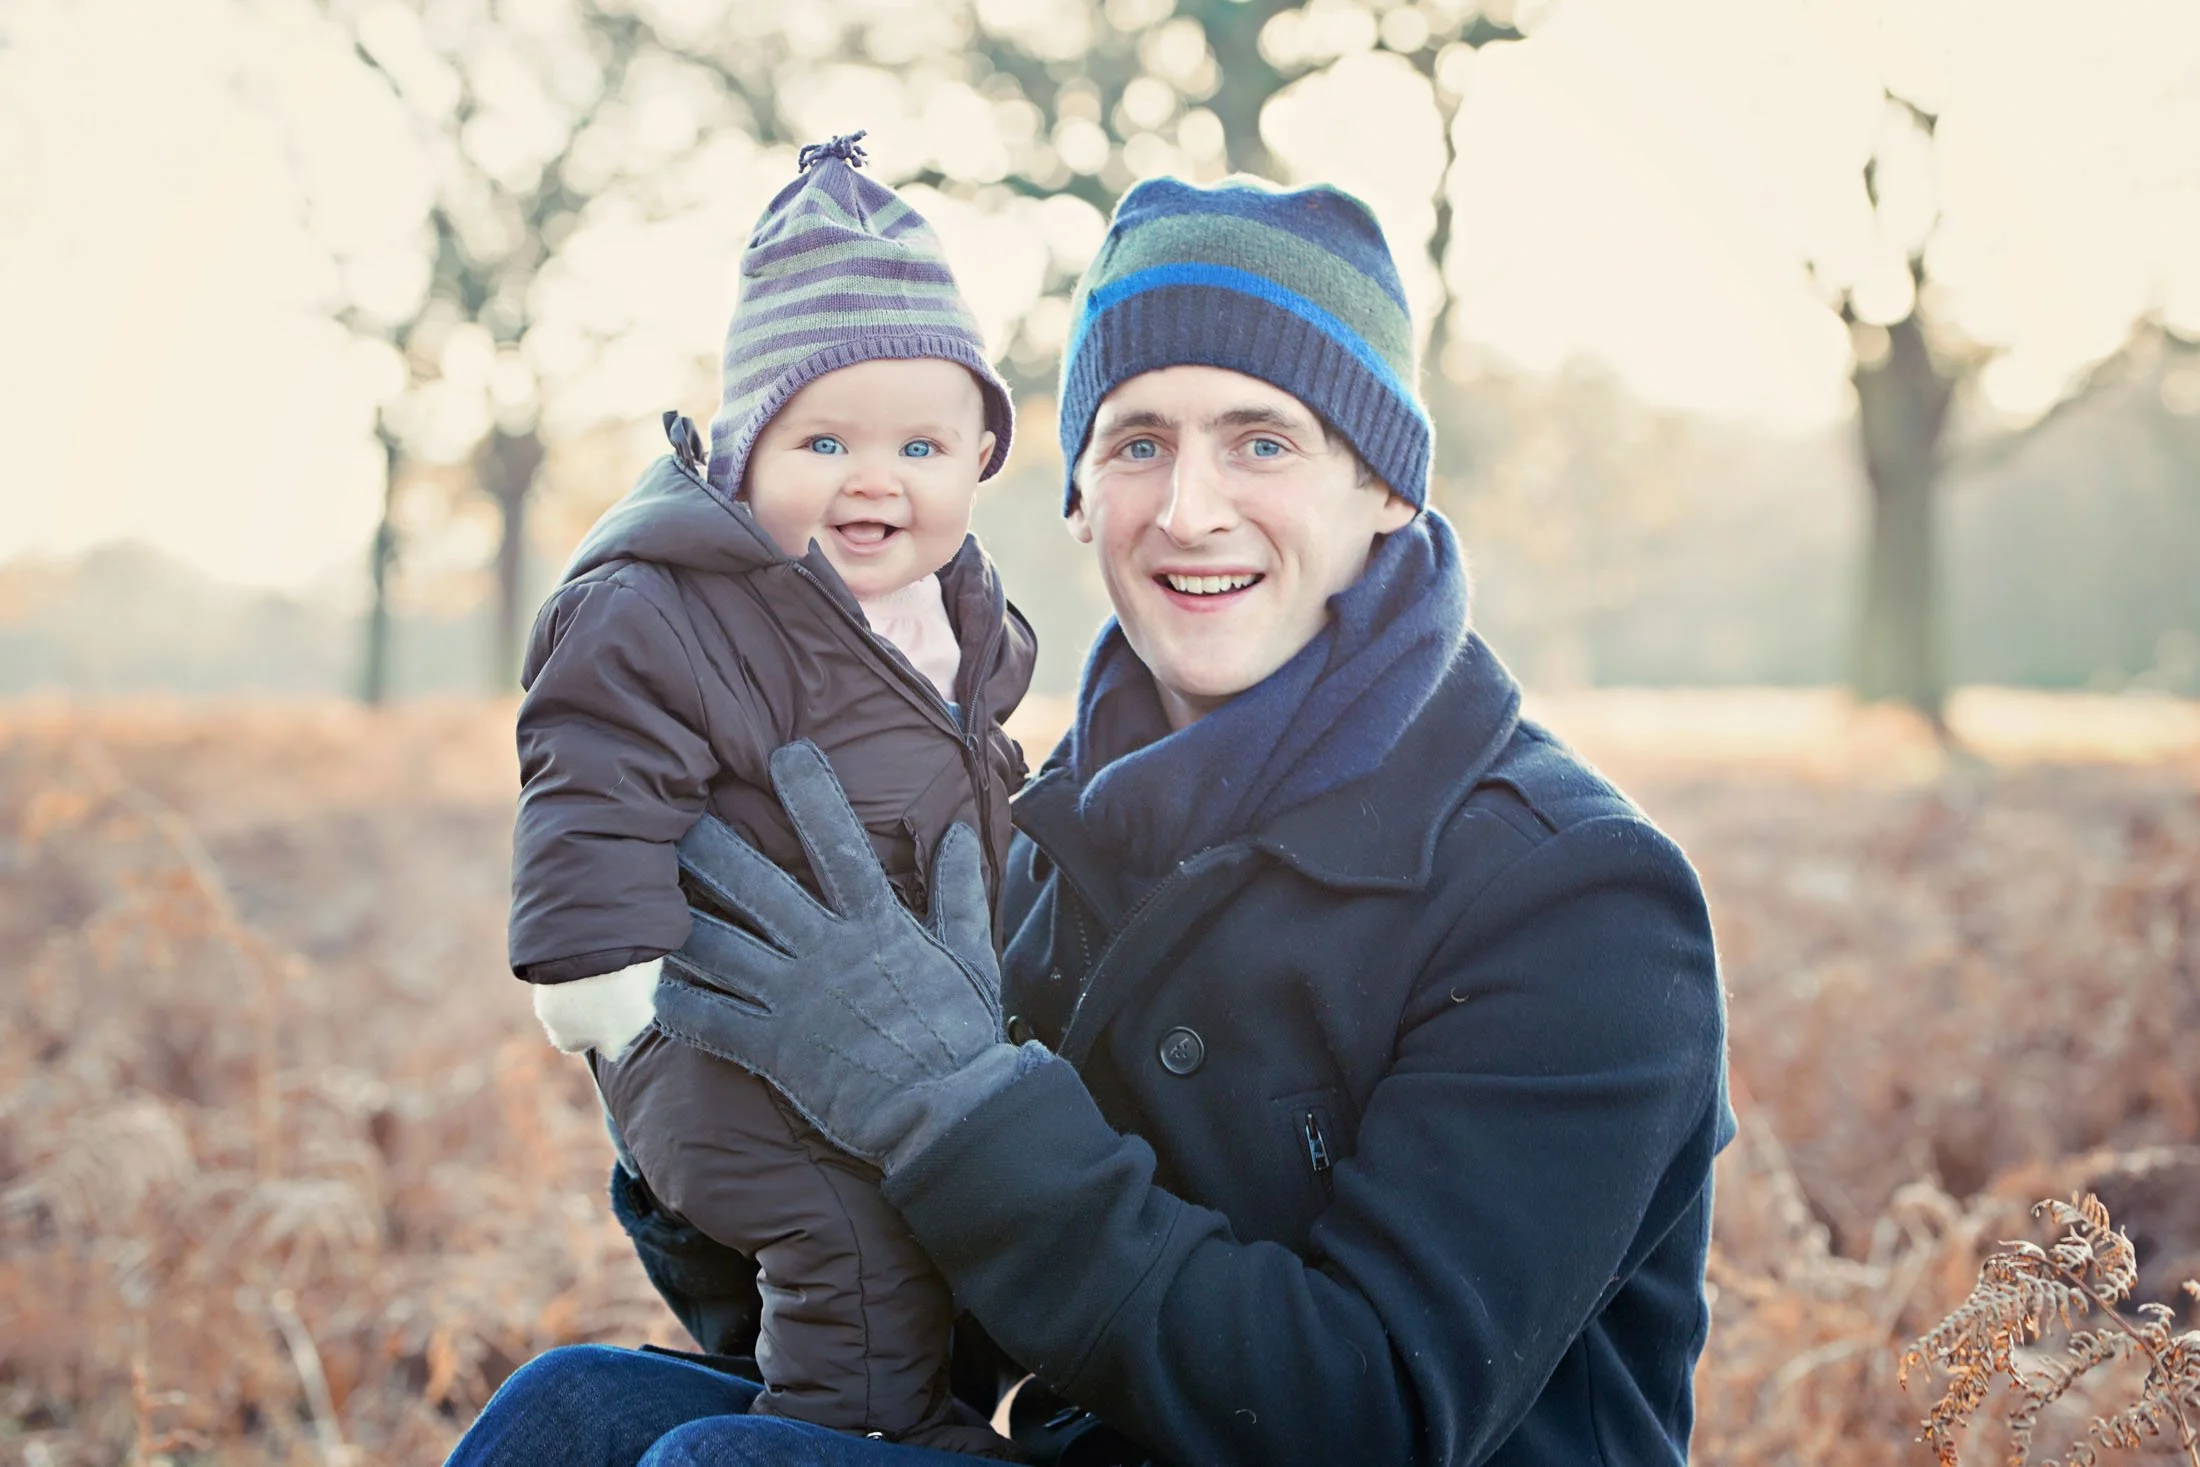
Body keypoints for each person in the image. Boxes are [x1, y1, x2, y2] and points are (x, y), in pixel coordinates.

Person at [458, 173, 1733, 1467]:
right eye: (1137, 444)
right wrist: (706, 1095)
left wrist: (950, 1101)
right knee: (566, 1417)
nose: (1188, 509)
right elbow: (910, 1343)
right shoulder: (1047, 830)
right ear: (1077, 499)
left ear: (1387, 486)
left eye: (1263, 441)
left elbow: (1372, 1416)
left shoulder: (1577, 897)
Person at [503, 132, 1030, 1458]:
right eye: (825, 436)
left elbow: (973, 785)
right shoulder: (662, 609)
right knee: (847, 1234)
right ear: (745, 453)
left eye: (922, 440)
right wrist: (613, 996)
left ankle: (863, 1400)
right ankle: (862, 1434)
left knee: (903, 1224)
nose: (875, 475)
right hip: (710, 1022)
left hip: (865, 1021)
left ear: (979, 458)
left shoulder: (950, 623)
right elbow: (588, 776)